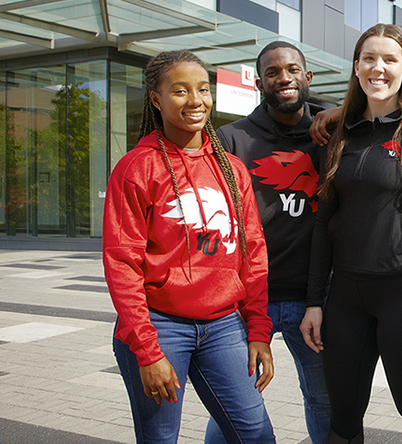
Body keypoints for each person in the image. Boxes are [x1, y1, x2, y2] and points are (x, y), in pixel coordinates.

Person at [103, 50, 275, 443]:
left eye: (202, 89)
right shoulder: (137, 167)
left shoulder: (231, 168)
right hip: (159, 326)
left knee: (256, 434)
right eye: (179, 91)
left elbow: (253, 254)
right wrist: (147, 351)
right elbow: (121, 263)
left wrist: (258, 330)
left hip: (223, 325)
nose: (195, 100)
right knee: (161, 438)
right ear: (155, 99)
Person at [299, 23, 402, 444]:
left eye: (391, 59)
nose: (379, 67)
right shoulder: (338, 134)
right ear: (356, 67)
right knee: (344, 415)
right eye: (369, 58)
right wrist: (315, 302)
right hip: (346, 296)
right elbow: (323, 222)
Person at [208, 41, 329, 444]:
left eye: (293, 70)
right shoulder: (231, 139)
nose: (284, 78)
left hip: (314, 299)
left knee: (324, 400)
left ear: (307, 77)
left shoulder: (329, 137)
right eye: (273, 72)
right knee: (235, 405)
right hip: (246, 301)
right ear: (260, 82)